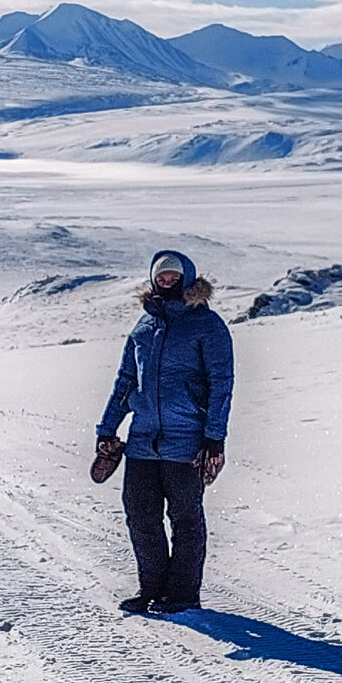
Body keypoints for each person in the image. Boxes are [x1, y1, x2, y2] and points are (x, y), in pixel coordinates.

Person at [96, 249, 235, 614]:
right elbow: (126, 382)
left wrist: (214, 438)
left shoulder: (208, 325)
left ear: (188, 278)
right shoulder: (144, 328)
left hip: (187, 442)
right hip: (143, 441)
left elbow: (222, 383)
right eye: (162, 276)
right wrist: (107, 428)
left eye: (175, 275)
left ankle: (183, 595)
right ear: (153, 279)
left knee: (186, 519)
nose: (168, 281)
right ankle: (151, 590)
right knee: (140, 516)